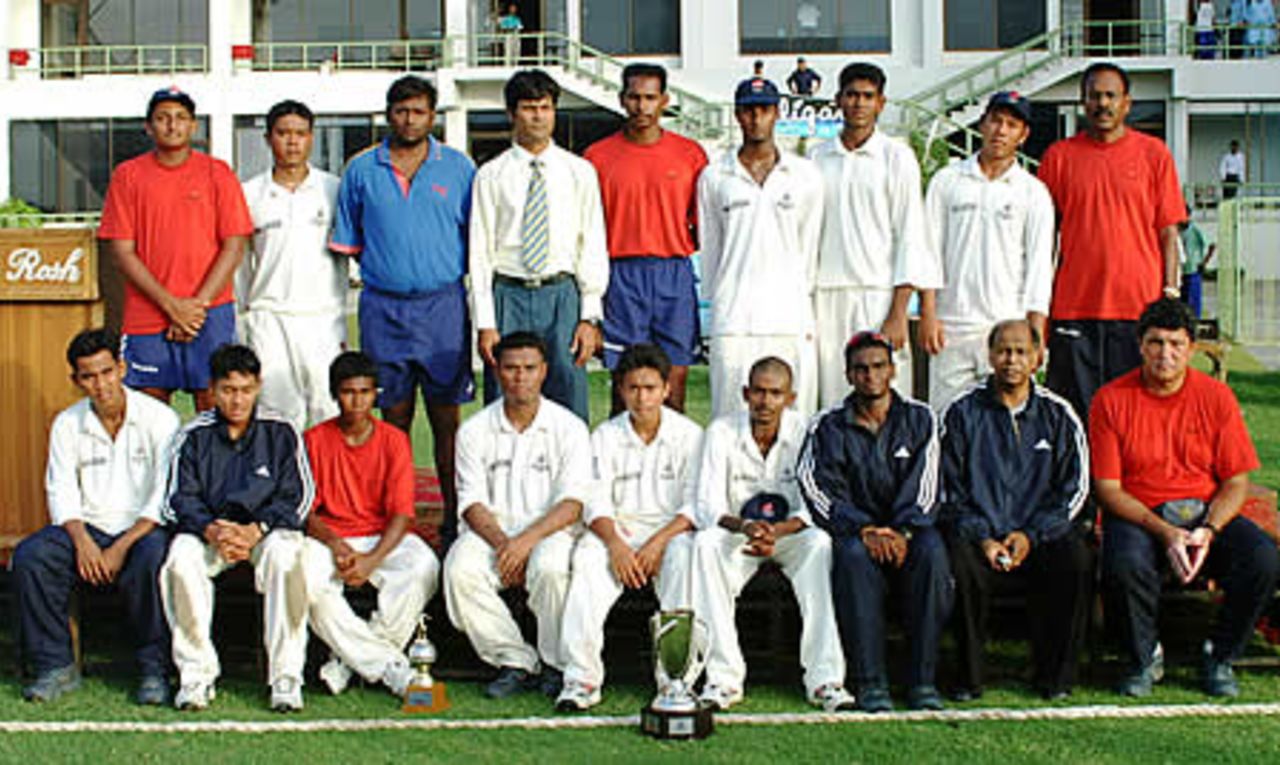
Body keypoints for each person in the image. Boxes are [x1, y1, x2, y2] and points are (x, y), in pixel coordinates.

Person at [1091, 298, 1280, 698]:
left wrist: (1209, 530)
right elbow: (1108, 489)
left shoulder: (1216, 398)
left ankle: (1220, 654)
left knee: (1262, 557)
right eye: (1156, 343)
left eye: (1176, 344)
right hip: (1141, 514)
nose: (1166, 354)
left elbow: (1236, 481)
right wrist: (1165, 532)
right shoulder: (1110, 400)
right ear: (1140, 345)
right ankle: (1143, 657)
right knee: (1122, 563)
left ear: (1191, 348)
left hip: (1203, 514)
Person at [330, 75, 475, 543]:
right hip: (382, 307)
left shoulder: (458, 169)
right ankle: (391, 522)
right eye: (400, 110)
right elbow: (349, 243)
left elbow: (476, 241)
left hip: (443, 308)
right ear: (388, 113)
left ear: (432, 116)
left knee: (446, 419)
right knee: (390, 421)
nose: (409, 119)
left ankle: (454, 521)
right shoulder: (360, 170)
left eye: (418, 111)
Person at [12, 328, 178, 705]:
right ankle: (55, 666)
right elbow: (61, 491)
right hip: (87, 530)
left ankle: (154, 669)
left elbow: (163, 496)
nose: (101, 385)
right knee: (32, 557)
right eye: (89, 376)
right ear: (76, 380)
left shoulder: (160, 418)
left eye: (106, 372)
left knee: (155, 556)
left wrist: (121, 546)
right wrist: (82, 541)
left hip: (142, 531)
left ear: (121, 368)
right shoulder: (67, 423)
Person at [690, 357, 856, 713]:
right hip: (738, 535)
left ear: (791, 397)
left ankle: (825, 679)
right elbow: (707, 504)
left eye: (775, 393)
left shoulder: (808, 431)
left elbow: (817, 501)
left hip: (790, 534)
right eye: (759, 392)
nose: (766, 402)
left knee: (820, 544)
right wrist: (746, 527)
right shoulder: (720, 431)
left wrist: (777, 531)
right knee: (704, 545)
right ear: (745, 393)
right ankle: (723, 679)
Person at [939, 320, 1092, 702]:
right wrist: (984, 537)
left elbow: (1074, 490)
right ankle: (969, 679)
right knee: (957, 561)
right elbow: (947, 489)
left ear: (1038, 358)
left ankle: (1055, 677)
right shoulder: (961, 412)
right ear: (990, 357)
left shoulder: (1059, 414)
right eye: (1004, 351)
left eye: (1022, 351)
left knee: (1076, 559)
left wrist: (1031, 535)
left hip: (1039, 536)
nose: (1012, 360)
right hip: (979, 538)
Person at [797, 331, 950, 712]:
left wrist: (902, 530)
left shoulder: (921, 418)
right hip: (857, 534)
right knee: (850, 556)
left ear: (893, 370)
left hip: (909, 531)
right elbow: (817, 489)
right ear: (848, 375)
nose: (870, 376)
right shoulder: (827, 426)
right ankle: (870, 682)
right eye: (861, 369)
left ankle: (922, 681)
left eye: (879, 366)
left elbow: (928, 486)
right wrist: (864, 528)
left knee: (932, 550)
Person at [159, 344, 313, 712]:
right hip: (213, 531)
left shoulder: (281, 430)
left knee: (287, 555)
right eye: (228, 390)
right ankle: (195, 675)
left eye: (245, 390)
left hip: (265, 531)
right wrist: (213, 531)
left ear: (258, 386)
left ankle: (285, 676)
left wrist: (256, 530)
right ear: (212, 390)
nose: (237, 400)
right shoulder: (193, 434)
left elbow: (299, 498)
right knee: (180, 559)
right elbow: (176, 500)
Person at [443, 332, 593, 700]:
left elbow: (572, 503)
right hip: (493, 532)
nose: (520, 377)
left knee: (551, 569)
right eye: (511, 368)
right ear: (496, 371)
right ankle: (515, 659)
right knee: (459, 570)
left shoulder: (569, 427)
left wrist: (525, 543)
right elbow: (471, 501)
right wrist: (503, 544)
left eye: (529, 368)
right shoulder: (474, 430)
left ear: (543, 371)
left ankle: (557, 664)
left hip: (550, 531)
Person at [555, 344, 701, 711]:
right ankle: (581, 678)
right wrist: (616, 545)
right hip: (615, 531)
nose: (642, 397)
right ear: (620, 390)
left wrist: (658, 543)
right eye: (633, 388)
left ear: (667, 389)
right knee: (588, 560)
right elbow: (595, 500)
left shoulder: (689, 435)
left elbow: (696, 504)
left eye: (650, 388)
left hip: (671, 534)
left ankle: (674, 681)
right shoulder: (605, 435)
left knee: (685, 559)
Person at [1036, 62, 1186, 421]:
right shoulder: (1059, 157)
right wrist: (1038, 308)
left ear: (1127, 103)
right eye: (1094, 96)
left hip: (1136, 309)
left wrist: (1170, 294)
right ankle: (1079, 480)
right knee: (1074, 417)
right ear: (1082, 102)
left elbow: (1168, 232)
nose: (1102, 104)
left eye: (1110, 96)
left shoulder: (1154, 155)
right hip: (1074, 308)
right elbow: (1042, 239)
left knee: (1135, 416)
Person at [98, 86, 253, 412]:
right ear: (148, 126)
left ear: (193, 125)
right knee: (147, 413)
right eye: (163, 118)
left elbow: (234, 244)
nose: (172, 125)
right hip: (147, 313)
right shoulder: (128, 176)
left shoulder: (217, 173)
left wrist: (196, 307)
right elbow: (122, 252)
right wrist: (171, 306)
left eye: (181, 118)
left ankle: (207, 467)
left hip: (209, 313)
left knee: (215, 407)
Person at [470, 69, 609, 423]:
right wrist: (485, 321)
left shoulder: (579, 171)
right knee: (506, 397)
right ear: (511, 114)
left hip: (561, 292)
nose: (538, 116)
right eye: (529, 108)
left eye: (545, 107)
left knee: (568, 392)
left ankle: (572, 479)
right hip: (509, 292)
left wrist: (589, 315)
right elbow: (480, 251)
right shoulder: (491, 174)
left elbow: (592, 242)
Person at [301, 351, 439, 699]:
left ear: (376, 393)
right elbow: (304, 511)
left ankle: (349, 660)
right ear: (335, 394)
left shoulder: (393, 439)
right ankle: (390, 667)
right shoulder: (314, 440)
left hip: (380, 537)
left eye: (365, 392)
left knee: (423, 566)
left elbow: (402, 513)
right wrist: (335, 545)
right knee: (305, 578)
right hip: (332, 537)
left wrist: (372, 559)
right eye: (348, 392)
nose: (357, 401)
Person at [808, 63, 939, 408]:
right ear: (838, 100)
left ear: (881, 103)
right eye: (852, 95)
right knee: (834, 399)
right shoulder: (816, 157)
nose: (859, 104)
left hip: (878, 293)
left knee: (885, 398)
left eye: (868, 96)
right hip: (827, 294)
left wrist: (898, 311)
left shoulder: (897, 157)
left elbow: (910, 234)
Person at [584, 63, 708, 414]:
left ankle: (675, 467)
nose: (643, 107)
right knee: (625, 383)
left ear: (665, 100)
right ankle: (617, 467)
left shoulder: (690, 154)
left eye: (650, 98)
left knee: (675, 380)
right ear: (622, 100)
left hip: (673, 272)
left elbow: (700, 225)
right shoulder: (597, 157)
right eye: (635, 97)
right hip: (621, 275)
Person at [697, 77, 823, 418]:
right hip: (734, 317)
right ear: (737, 115)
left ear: (777, 113)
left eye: (764, 110)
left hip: (790, 316)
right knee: (729, 415)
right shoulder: (714, 176)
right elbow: (712, 250)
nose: (756, 119)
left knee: (795, 419)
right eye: (749, 111)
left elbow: (809, 248)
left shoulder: (805, 175)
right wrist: (719, 302)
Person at [923, 91, 1053, 410]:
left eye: (1011, 125)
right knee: (946, 424)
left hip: (1007, 328)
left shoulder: (1032, 192)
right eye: (995, 121)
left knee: (1004, 425)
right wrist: (928, 314)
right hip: (951, 325)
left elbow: (1038, 268)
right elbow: (928, 251)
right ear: (982, 125)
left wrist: (1034, 337)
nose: (1001, 131)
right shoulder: (947, 180)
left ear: (1023, 136)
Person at [238, 99, 345, 432]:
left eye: (300, 133)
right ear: (269, 138)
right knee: (278, 416)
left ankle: (326, 486)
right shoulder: (248, 193)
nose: (292, 142)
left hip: (323, 319)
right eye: (283, 133)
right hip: (269, 318)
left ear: (311, 137)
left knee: (328, 410)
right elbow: (240, 265)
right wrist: (245, 318)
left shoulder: (334, 190)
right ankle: (286, 486)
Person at [1178, 206, 1215, 319]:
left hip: (1193, 270)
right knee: (1181, 302)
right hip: (1180, 272)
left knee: (1193, 301)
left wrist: (1204, 262)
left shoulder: (1194, 230)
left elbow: (1211, 245)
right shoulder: (1177, 231)